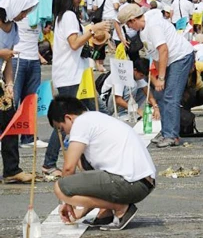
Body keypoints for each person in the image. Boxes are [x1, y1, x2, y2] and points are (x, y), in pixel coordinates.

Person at [49, 96, 156, 231]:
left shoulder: (81, 123)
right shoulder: (96, 118)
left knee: (60, 187)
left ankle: (121, 208)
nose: (65, 133)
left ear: (68, 118)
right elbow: (94, 184)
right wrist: (82, 212)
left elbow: (68, 168)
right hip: (142, 182)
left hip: (130, 183)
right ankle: (106, 212)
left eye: (61, 128)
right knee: (84, 164)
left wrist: (66, 201)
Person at [42, 0, 110, 178]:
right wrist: (92, 30)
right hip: (72, 76)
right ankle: (49, 162)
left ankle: (94, 156)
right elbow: (74, 43)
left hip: (75, 73)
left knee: (88, 115)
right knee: (70, 120)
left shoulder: (66, 15)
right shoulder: (68, 16)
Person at [117, 4, 194, 148]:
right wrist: (159, 78)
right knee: (160, 94)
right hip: (169, 60)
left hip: (181, 56)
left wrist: (162, 78)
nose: (129, 28)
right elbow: (157, 57)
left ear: (133, 20)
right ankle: (166, 132)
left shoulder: (153, 26)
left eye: (128, 24)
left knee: (171, 96)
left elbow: (163, 50)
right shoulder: (143, 31)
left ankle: (171, 135)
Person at [0, 0, 38, 183]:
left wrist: (9, 84)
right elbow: (5, 54)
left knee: (9, 121)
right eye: (24, 11)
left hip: (0, 81)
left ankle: (11, 169)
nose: (24, 16)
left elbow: (9, 59)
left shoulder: (12, 27)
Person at [13, 15, 48, 148]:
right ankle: (5, 136)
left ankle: (28, 137)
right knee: (12, 101)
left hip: (33, 59)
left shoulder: (40, 16)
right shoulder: (15, 14)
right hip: (17, 58)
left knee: (31, 99)